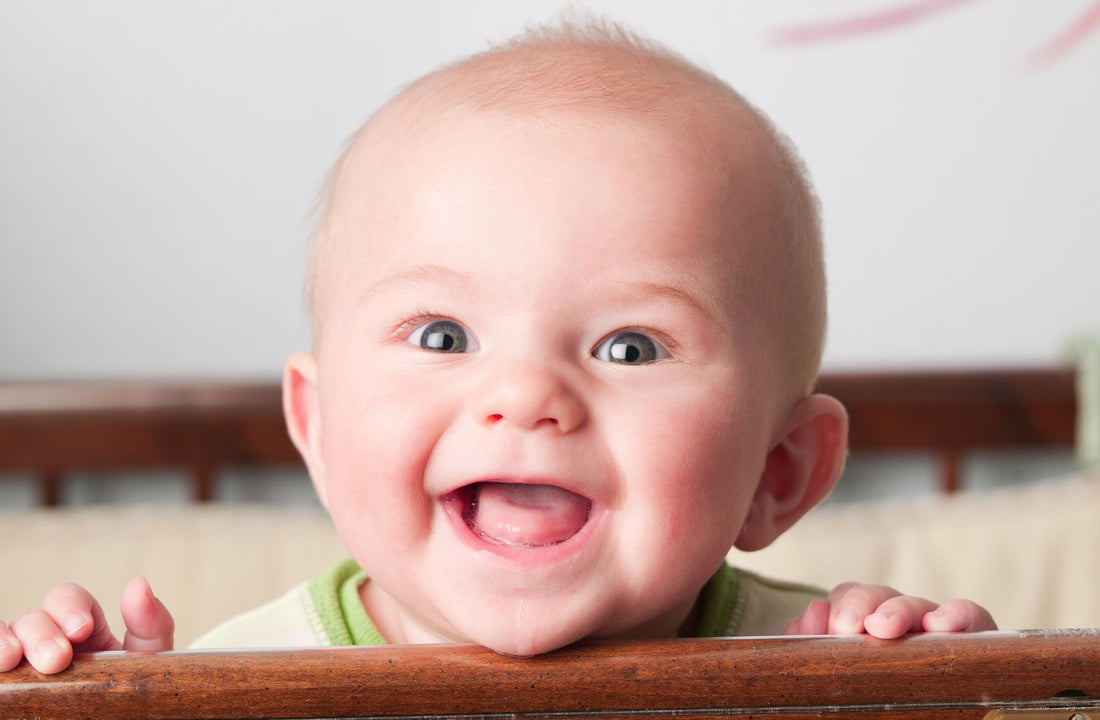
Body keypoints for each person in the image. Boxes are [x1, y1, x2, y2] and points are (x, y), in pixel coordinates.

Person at [0, 19, 995, 675]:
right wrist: (110, 707)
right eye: (442, 335)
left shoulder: (822, 668)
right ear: (319, 423)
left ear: (777, 472)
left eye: (629, 347)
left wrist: (945, 692)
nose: (525, 395)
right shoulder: (236, 682)